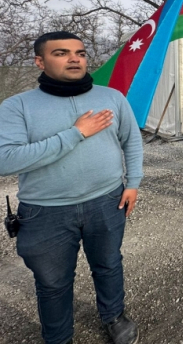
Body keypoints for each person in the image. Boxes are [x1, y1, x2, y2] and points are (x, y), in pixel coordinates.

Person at [0, 31, 142, 344]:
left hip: (107, 201)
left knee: (108, 265)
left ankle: (114, 316)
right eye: (61, 53)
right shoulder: (17, 107)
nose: (74, 58)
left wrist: (132, 183)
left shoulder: (112, 97)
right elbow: (5, 160)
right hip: (45, 211)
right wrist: (75, 133)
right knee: (52, 283)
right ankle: (58, 336)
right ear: (40, 61)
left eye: (79, 52)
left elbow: (131, 140)